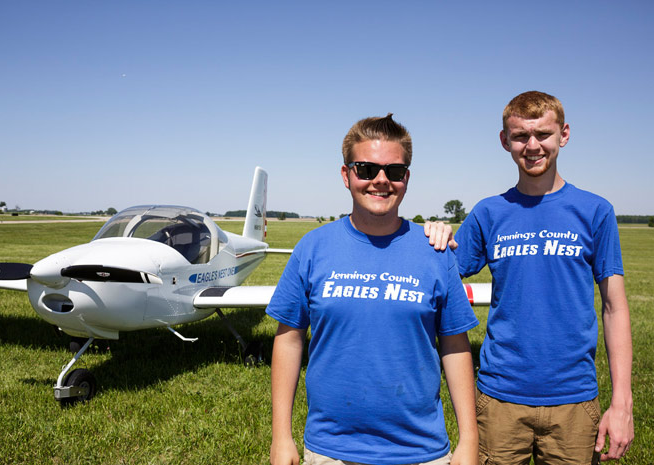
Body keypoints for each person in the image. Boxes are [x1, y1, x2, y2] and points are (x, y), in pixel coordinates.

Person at [425, 91, 634, 463]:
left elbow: (615, 308)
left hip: (574, 399)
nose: (532, 145)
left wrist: (622, 403)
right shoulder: (490, 213)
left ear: (564, 135)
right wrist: (434, 233)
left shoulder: (596, 211)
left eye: (544, 134)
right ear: (505, 140)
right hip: (499, 398)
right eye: (520, 136)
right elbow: (441, 269)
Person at [267, 114, 479, 465]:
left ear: (406, 178)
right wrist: (281, 436)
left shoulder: (435, 252)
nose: (381, 181)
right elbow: (289, 337)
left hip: (422, 452)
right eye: (366, 169)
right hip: (330, 451)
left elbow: (455, 344)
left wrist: (469, 440)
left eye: (394, 172)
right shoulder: (313, 247)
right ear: (346, 174)